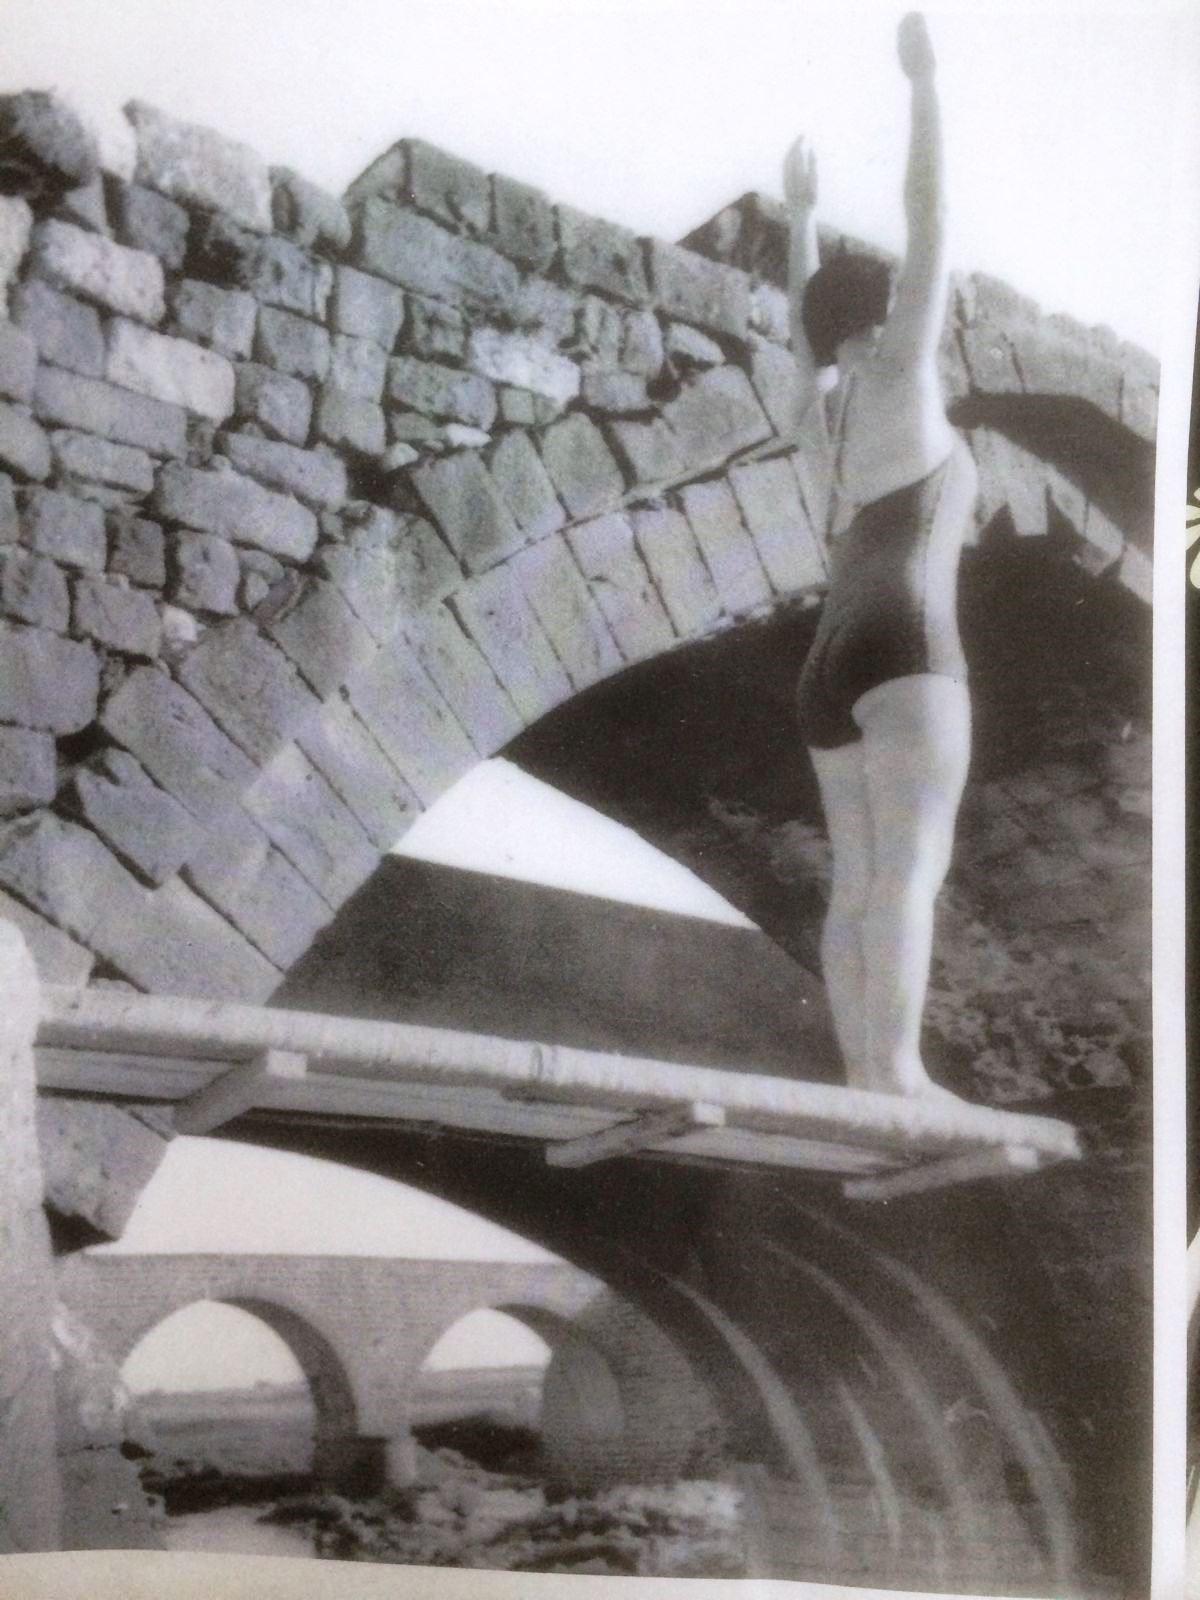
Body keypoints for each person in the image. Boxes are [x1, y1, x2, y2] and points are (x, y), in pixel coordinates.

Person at [786, 13, 977, 1100]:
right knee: (911, 871)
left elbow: (803, 331)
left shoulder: (818, 414)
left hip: (828, 667)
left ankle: (865, 1065)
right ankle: (897, 1066)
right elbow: (932, 213)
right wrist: (924, 84)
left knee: (855, 878)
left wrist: (802, 220)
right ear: (885, 316)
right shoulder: (904, 373)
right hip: (909, 644)